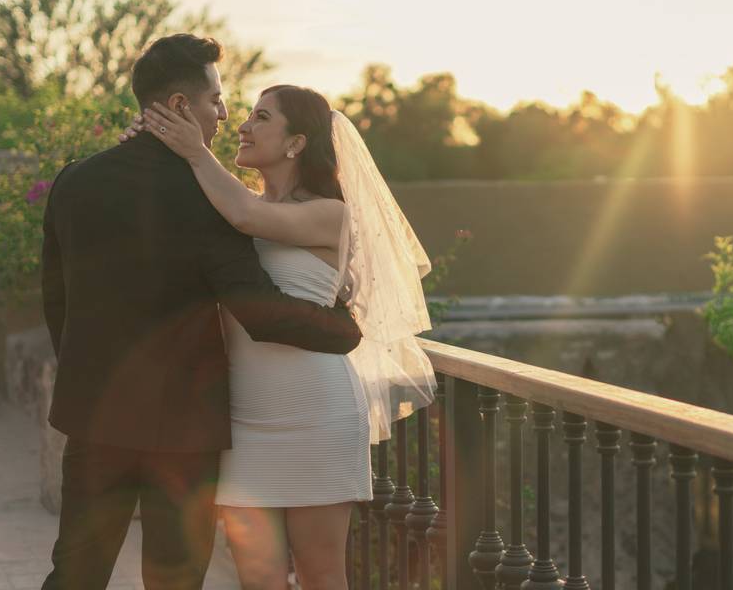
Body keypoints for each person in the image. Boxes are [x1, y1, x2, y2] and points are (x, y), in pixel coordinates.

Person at [40, 34, 363, 590]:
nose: (225, 114)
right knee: (174, 579)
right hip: (185, 430)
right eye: (217, 99)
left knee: (74, 572)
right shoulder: (211, 199)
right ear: (182, 106)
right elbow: (257, 310)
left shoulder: (74, 181)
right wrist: (343, 328)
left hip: (94, 415)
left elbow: (57, 301)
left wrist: (88, 379)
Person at [129, 83, 436, 588]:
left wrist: (194, 148)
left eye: (261, 117)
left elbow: (247, 216)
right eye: (248, 114)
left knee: (321, 576)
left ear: (296, 143)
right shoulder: (233, 201)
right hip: (245, 424)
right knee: (259, 578)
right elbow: (217, 205)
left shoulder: (330, 213)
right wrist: (148, 141)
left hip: (320, 415)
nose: (243, 125)